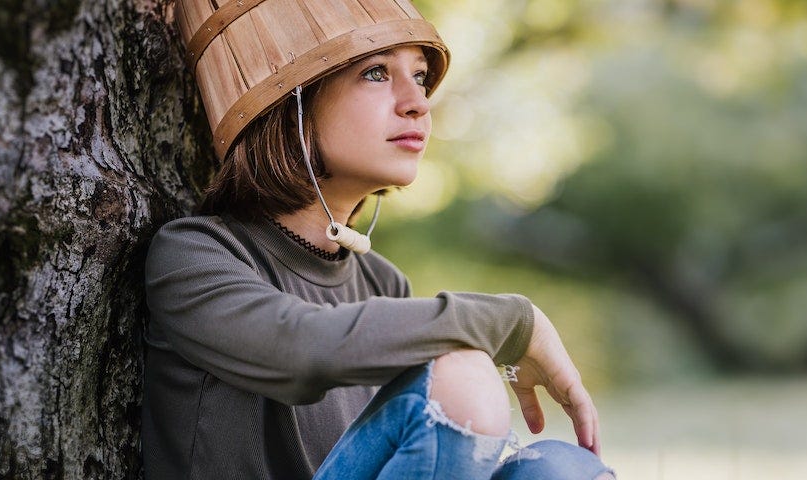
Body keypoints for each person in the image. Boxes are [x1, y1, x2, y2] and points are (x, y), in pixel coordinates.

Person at [143, 1, 614, 479]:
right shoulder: (194, 255)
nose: (419, 102)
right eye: (375, 73)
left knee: (559, 468)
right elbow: (300, 350)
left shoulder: (381, 280)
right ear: (291, 107)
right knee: (463, 376)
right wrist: (514, 323)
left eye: (421, 77)